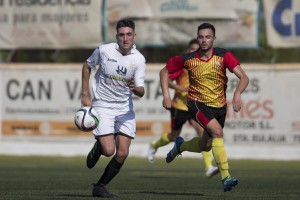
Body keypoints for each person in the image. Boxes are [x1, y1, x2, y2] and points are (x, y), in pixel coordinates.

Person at [160, 23, 249, 192]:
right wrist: (166, 95)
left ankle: (180, 146)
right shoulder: (188, 59)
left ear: (214, 39)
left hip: (219, 106)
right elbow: (163, 72)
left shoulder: (223, 56)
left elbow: (244, 77)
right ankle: (226, 177)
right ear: (198, 38)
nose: (204, 40)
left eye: (208, 37)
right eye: (201, 36)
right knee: (217, 132)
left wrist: (237, 93)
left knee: (205, 145)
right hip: (196, 103)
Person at [81, 19, 146, 198]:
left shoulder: (139, 59)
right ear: (116, 36)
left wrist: (135, 88)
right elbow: (87, 66)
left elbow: (141, 91)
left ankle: (100, 186)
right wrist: (85, 93)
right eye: (122, 34)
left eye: (129, 34)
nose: (125, 38)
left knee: (123, 153)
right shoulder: (104, 50)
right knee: (109, 151)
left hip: (125, 109)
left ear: (134, 36)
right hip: (103, 105)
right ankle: (99, 147)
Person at [147, 38, 219, 178]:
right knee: (173, 135)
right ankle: (154, 145)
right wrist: (181, 88)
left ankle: (208, 167)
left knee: (202, 133)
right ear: (188, 50)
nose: (193, 52)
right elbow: (167, 79)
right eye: (191, 49)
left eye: (196, 50)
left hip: (194, 106)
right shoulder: (183, 65)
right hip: (179, 106)